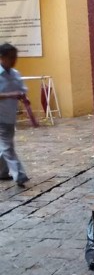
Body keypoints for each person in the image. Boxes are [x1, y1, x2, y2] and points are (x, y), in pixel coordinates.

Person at [0, 43, 30, 186]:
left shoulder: (16, 74)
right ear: (2, 58)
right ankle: (19, 174)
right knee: (7, 146)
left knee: (5, 146)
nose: (14, 60)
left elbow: (21, 90)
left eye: (15, 57)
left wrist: (23, 97)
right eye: (11, 57)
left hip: (9, 116)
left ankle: (2, 172)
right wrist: (12, 94)